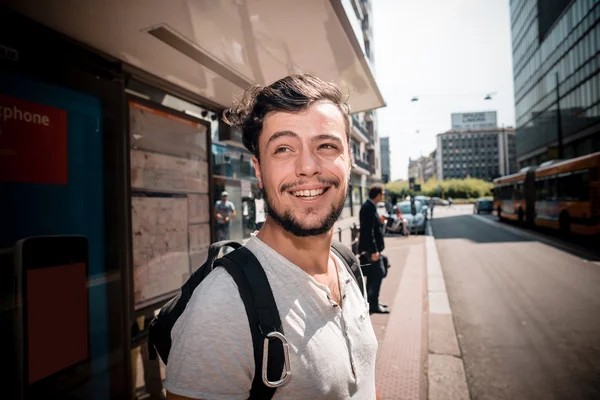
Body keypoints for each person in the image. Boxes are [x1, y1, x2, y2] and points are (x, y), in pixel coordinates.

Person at [165, 74, 378, 399]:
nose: (307, 167)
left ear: (349, 159)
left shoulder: (346, 264)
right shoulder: (221, 309)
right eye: (283, 148)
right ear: (259, 170)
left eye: (326, 145)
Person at [358, 184, 390, 314]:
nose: (382, 197)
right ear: (377, 195)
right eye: (382, 194)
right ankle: (373, 304)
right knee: (377, 275)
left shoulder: (370, 207)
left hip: (372, 250)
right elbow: (368, 232)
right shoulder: (368, 208)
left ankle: (372, 302)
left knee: (373, 277)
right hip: (371, 252)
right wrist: (374, 251)